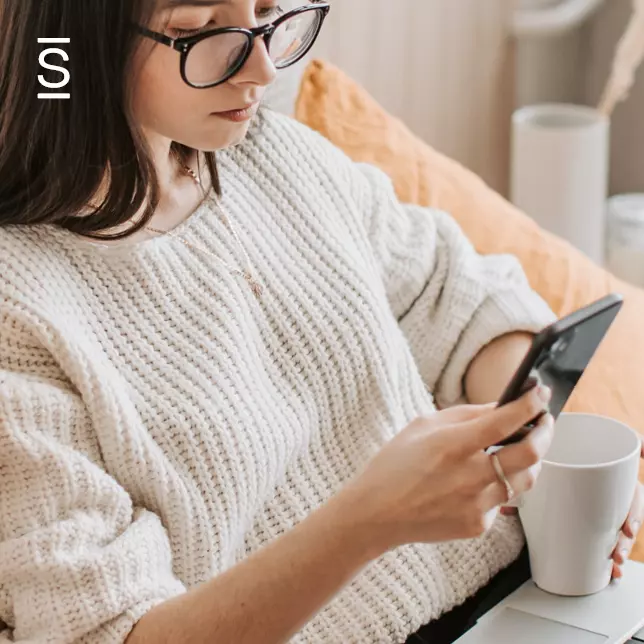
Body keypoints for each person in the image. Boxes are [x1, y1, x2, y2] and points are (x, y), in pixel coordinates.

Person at [0, 1, 641, 643]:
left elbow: (462, 295)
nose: (262, 67)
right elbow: (107, 632)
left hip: (518, 599)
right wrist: (371, 520)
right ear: (68, 46)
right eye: (202, 33)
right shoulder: (21, 310)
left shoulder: (277, 153)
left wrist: (533, 446)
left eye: (267, 12)